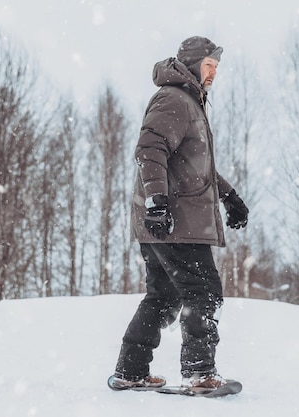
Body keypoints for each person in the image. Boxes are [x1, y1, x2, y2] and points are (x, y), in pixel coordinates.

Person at [108, 36, 249, 392]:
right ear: (191, 64)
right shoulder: (175, 99)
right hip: (175, 221)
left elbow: (195, 167)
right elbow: (149, 148)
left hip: (167, 220)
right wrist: (158, 202)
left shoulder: (190, 102)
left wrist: (229, 196)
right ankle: (200, 375)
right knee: (204, 291)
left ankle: (131, 371)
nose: (214, 72)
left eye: (217, 67)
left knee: (163, 296)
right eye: (209, 65)